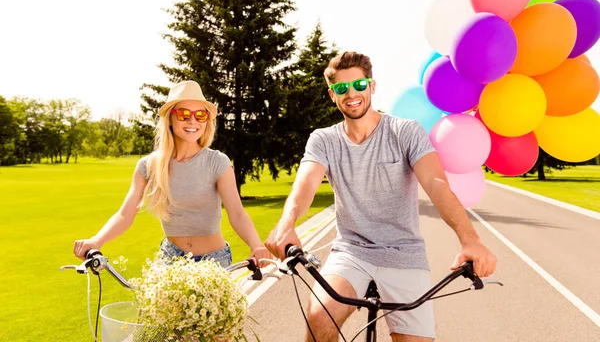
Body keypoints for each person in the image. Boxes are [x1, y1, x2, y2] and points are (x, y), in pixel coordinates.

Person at [265, 52, 497, 342]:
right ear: (332, 95)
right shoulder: (323, 139)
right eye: (341, 88)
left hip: (405, 254)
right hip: (351, 252)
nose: (352, 94)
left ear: (371, 86)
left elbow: (436, 183)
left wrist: (469, 240)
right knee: (319, 317)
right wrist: (287, 222)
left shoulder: (405, 131)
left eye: (359, 85)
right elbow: (305, 184)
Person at [74, 80, 271, 268]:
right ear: (170, 119)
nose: (192, 121)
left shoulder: (217, 162)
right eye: (184, 114)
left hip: (214, 261)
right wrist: (96, 241)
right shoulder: (148, 165)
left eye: (200, 115)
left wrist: (256, 245)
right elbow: (125, 214)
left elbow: (236, 213)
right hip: (169, 259)